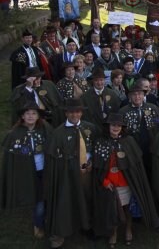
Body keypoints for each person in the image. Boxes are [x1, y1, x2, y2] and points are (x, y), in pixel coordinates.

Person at [93, 113, 159, 247]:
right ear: (108, 126)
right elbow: (97, 167)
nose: (116, 128)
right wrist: (105, 182)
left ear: (122, 127)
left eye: (119, 125)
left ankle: (128, 229)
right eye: (113, 125)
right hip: (109, 184)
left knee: (127, 208)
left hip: (126, 183)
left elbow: (136, 165)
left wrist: (132, 179)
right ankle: (114, 232)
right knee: (112, 209)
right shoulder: (101, 142)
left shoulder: (128, 141)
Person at [44, 98, 101, 249]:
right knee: (70, 199)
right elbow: (54, 158)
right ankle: (66, 228)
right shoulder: (58, 133)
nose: (74, 115)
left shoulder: (91, 128)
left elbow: (98, 148)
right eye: (71, 112)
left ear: (81, 112)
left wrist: (92, 162)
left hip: (89, 172)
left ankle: (87, 226)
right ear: (66, 113)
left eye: (77, 111)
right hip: (69, 174)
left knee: (88, 199)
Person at [1, 102, 53, 239]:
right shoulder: (14, 134)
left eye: (34, 113)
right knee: (38, 199)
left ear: (38, 116)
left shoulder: (45, 129)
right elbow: (10, 158)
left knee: (43, 197)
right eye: (27, 113)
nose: (30, 116)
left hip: (44, 169)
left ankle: (41, 221)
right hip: (26, 172)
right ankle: (39, 224)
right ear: (22, 116)